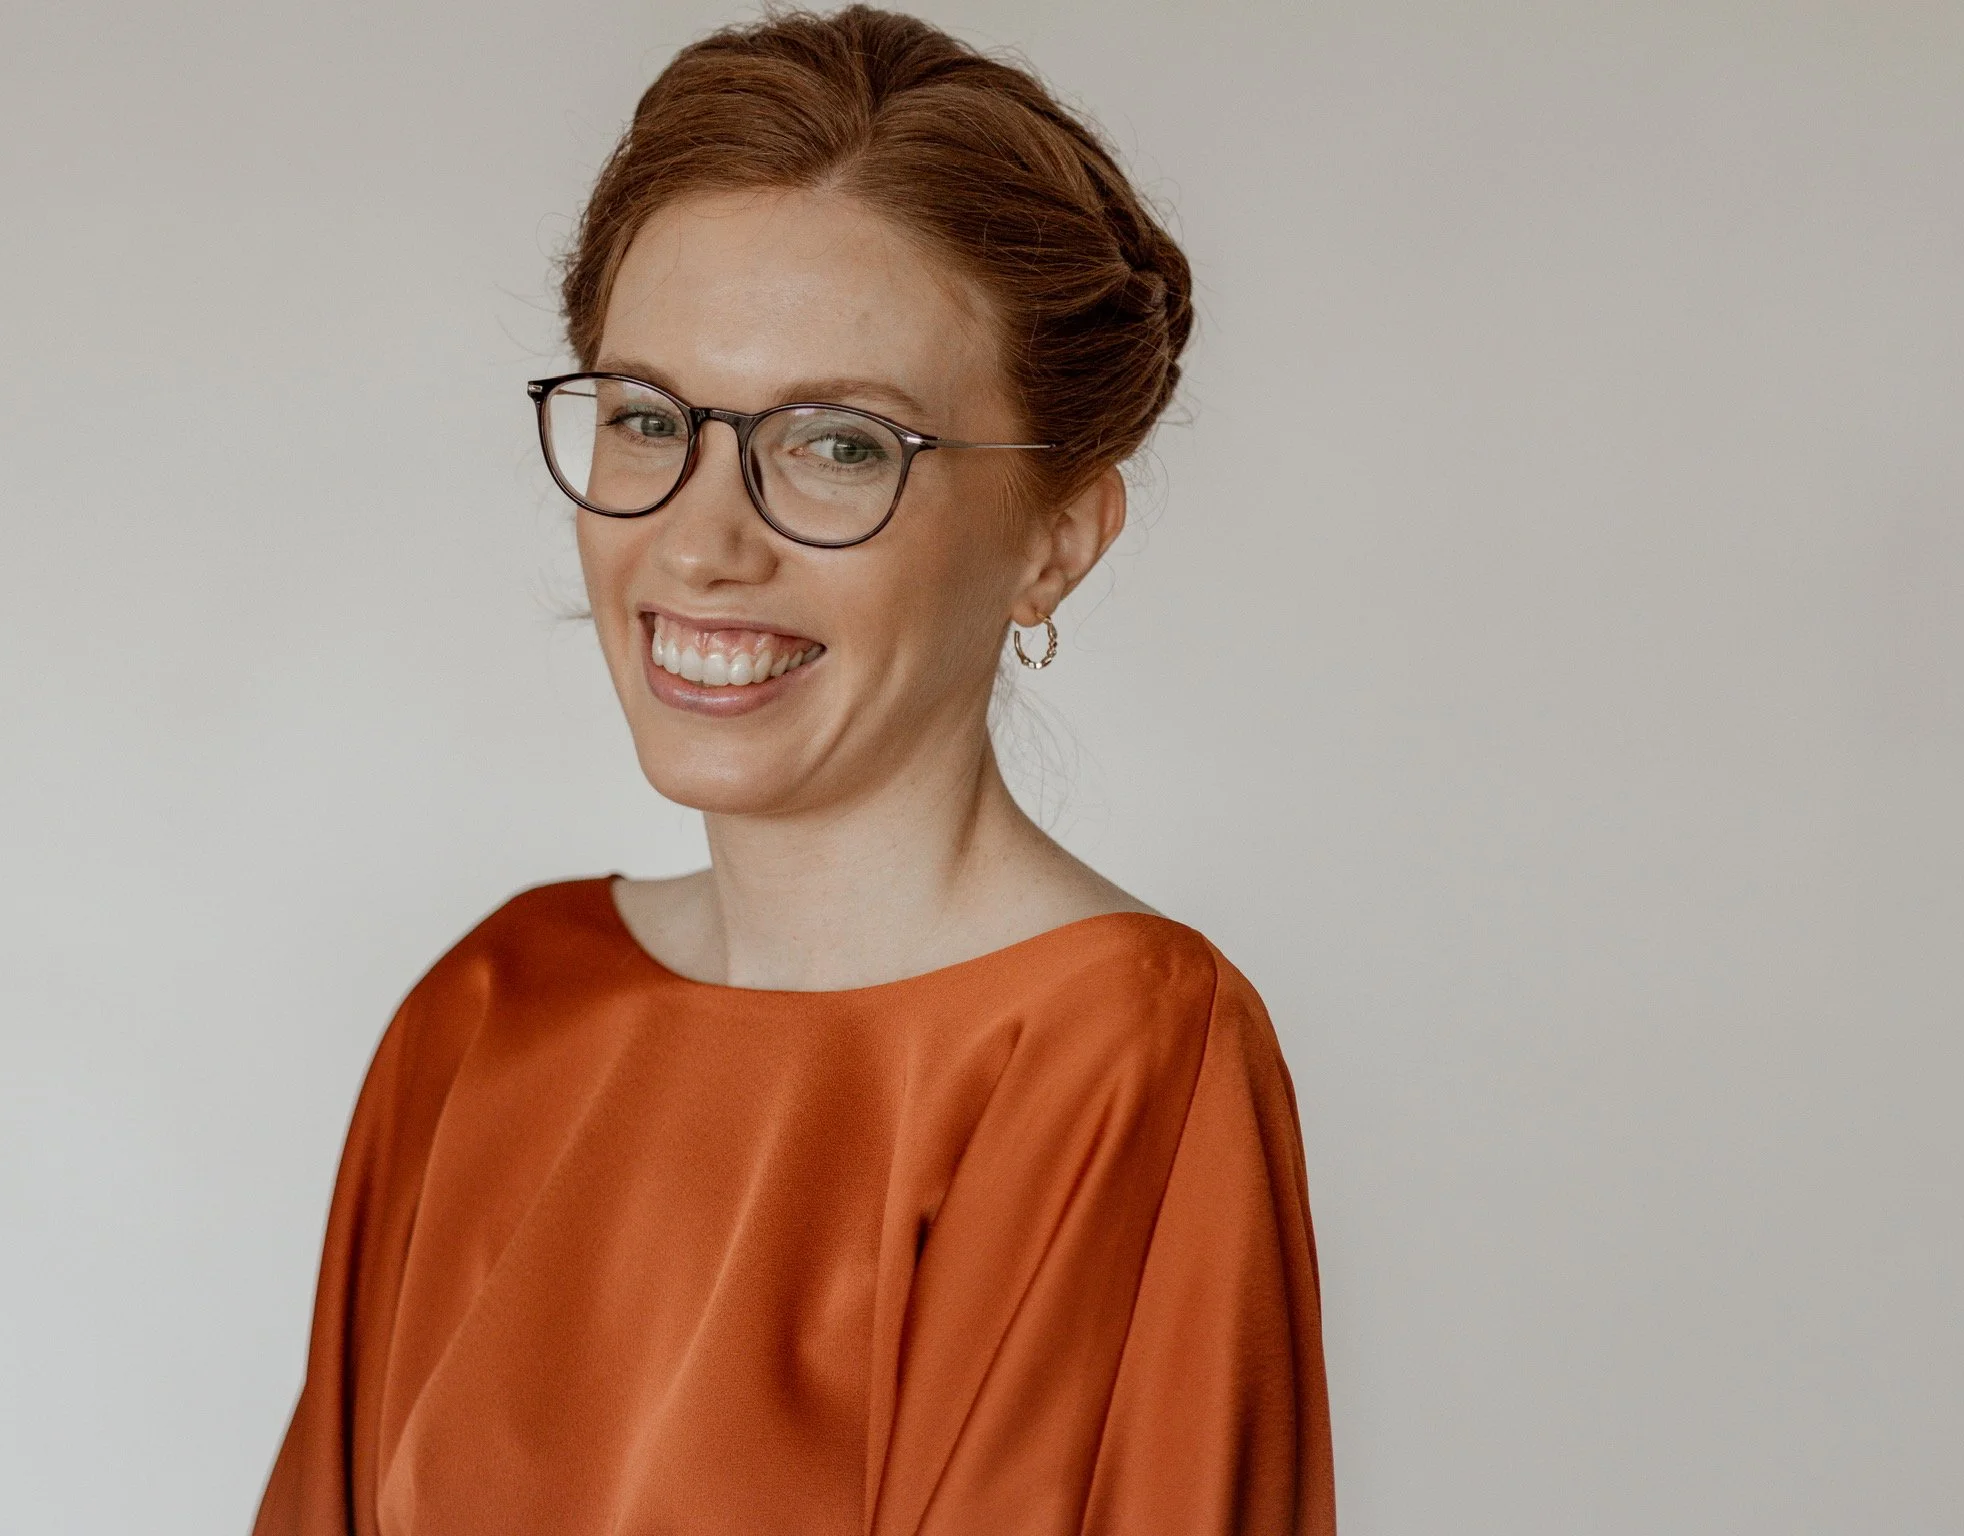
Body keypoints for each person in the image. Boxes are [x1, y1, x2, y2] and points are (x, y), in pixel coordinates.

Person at [253, 7, 1333, 1533]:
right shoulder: (494, 1011)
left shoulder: (1117, 1055)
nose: (701, 541)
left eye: (838, 445)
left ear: (1057, 540)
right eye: (647, 419)